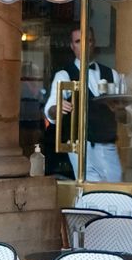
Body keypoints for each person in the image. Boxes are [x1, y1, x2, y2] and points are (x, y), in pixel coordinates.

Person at [45, 26, 126, 183]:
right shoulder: (64, 75)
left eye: (87, 41)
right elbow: (50, 110)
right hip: (79, 146)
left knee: (116, 185)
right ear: (72, 46)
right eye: (78, 41)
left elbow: (127, 116)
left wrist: (119, 112)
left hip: (107, 144)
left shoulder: (112, 74)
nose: (83, 45)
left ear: (93, 43)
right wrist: (58, 108)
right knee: (89, 188)